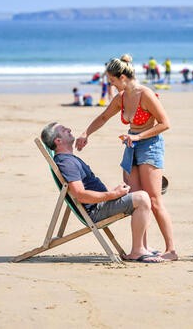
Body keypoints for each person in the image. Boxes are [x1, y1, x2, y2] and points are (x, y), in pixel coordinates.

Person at [75, 56, 178, 261]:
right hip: (131, 147)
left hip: (150, 145)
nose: (111, 85)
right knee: (141, 200)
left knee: (155, 200)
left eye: (112, 81)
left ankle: (171, 250)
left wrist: (138, 136)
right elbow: (104, 117)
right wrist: (86, 133)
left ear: (122, 77)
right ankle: (143, 248)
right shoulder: (121, 97)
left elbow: (165, 123)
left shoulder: (146, 94)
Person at [42, 122, 164, 263]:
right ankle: (137, 251)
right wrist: (112, 195)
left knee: (141, 194)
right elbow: (80, 194)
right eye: (64, 130)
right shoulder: (66, 163)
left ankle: (143, 246)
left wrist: (114, 193)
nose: (69, 129)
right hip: (96, 210)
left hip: (100, 203)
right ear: (58, 141)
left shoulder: (69, 159)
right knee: (142, 198)